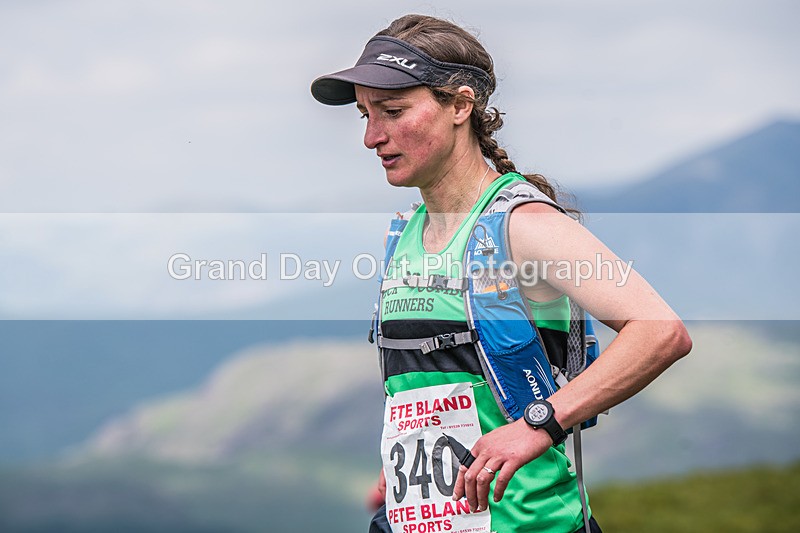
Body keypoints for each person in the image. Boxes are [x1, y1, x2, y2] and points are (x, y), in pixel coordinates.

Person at [311, 14, 692, 533]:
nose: (373, 137)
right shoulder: (406, 232)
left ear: (461, 106)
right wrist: (410, 452)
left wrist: (539, 426)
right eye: (365, 116)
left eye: (394, 111)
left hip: (526, 523)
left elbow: (660, 330)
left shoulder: (522, 224)